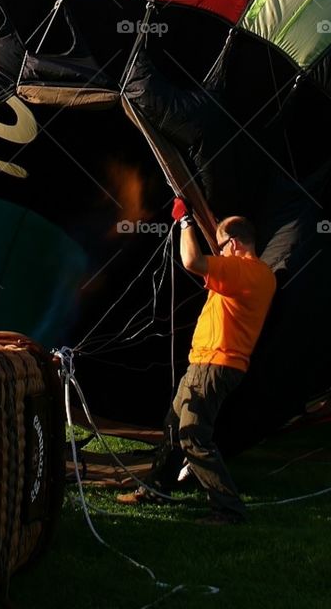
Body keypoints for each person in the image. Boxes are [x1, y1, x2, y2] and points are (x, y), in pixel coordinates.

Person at [117, 200, 276, 523]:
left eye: (220, 247)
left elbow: (192, 260)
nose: (218, 254)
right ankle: (156, 489)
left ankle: (228, 507)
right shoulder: (262, 276)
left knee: (192, 434)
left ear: (233, 244)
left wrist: (186, 223)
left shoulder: (245, 270)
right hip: (211, 364)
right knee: (174, 427)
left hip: (213, 364)